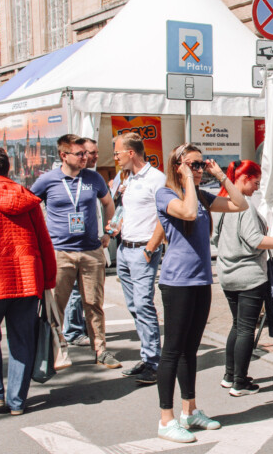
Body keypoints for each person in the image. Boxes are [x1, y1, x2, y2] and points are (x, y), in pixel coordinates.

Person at [155, 144, 248, 443]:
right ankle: (166, 419)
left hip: (200, 281)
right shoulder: (166, 194)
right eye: (192, 164)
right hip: (177, 282)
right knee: (172, 350)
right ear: (178, 165)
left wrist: (220, 174)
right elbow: (188, 213)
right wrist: (185, 181)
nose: (197, 170)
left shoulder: (203, 195)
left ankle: (189, 411)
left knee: (190, 350)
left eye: (199, 165)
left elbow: (239, 204)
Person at [216, 160, 273, 397]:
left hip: (227, 273)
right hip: (249, 275)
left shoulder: (223, 202)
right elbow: (255, 239)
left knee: (237, 326)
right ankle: (240, 382)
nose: (257, 188)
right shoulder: (243, 205)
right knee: (247, 328)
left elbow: (217, 237)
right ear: (244, 179)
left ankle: (230, 376)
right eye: (256, 182)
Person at [0, 146, 57, 415]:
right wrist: (48, 278)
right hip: (27, 278)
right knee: (22, 339)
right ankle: (16, 402)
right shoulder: (27, 198)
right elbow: (44, 241)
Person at [31, 134, 119, 369]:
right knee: (56, 305)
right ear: (63, 155)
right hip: (60, 252)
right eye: (79, 154)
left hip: (91, 251)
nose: (85, 157)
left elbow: (109, 204)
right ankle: (54, 353)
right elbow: (31, 206)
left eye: (86, 153)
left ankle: (101, 350)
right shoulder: (47, 180)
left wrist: (109, 232)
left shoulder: (94, 179)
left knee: (94, 304)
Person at [111, 132, 166, 384]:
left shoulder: (156, 179)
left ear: (130, 152)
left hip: (143, 249)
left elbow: (165, 216)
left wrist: (151, 247)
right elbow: (129, 210)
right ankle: (147, 357)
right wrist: (118, 225)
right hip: (125, 248)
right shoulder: (127, 178)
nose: (115, 157)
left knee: (143, 304)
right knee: (134, 306)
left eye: (117, 152)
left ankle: (154, 363)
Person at [63, 138, 100, 347]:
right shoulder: (61, 178)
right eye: (88, 153)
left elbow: (105, 204)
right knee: (75, 291)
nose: (91, 157)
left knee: (89, 293)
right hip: (68, 246)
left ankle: (83, 328)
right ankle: (72, 331)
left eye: (94, 153)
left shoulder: (93, 178)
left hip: (91, 244)